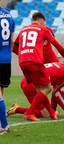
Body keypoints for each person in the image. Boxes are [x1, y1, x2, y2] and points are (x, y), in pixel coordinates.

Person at [12, 12, 64, 121]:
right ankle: (29, 113)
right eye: (44, 23)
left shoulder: (23, 30)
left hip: (22, 62)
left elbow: (14, 48)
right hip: (35, 62)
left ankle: (52, 113)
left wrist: (25, 54)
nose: (44, 25)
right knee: (47, 87)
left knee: (39, 88)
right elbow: (59, 47)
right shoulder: (44, 30)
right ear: (42, 21)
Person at [0, 6, 15, 135]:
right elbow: (11, 41)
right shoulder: (9, 15)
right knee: (0, 92)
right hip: (6, 59)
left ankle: (4, 126)